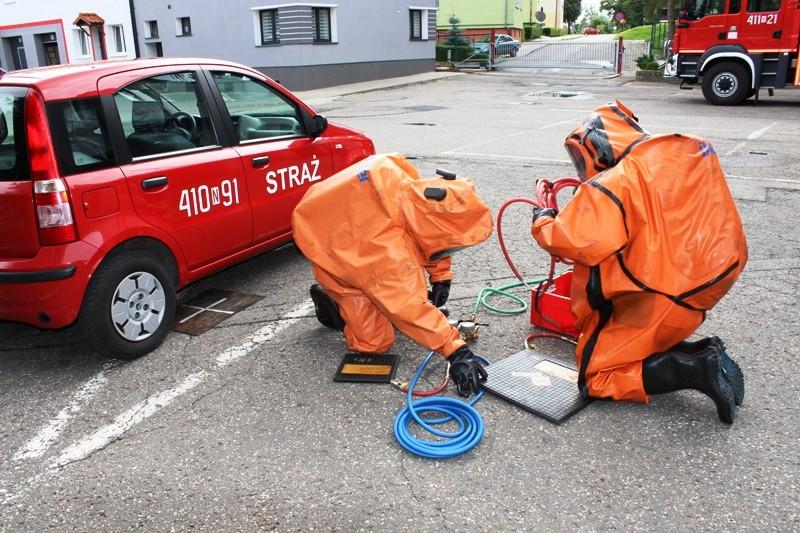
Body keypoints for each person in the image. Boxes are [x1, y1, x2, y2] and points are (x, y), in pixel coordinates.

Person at [531, 101, 748, 423]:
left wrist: (543, 219)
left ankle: (697, 369)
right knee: (642, 337)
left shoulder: (615, 183)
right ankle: (705, 352)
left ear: (597, 145)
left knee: (596, 378)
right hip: (711, 278)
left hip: (659, 292)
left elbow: (575, 243)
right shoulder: (688, 149)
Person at [292, 153, 494, 396]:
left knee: (388, 297)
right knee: (374, 344)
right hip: (328, 250)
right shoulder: (389, 255)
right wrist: (457, 351)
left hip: (353, 233)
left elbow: (433, 237)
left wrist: (441, 276)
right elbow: (409, 307)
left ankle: (374, 300)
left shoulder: (408, 188)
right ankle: (332, 301)